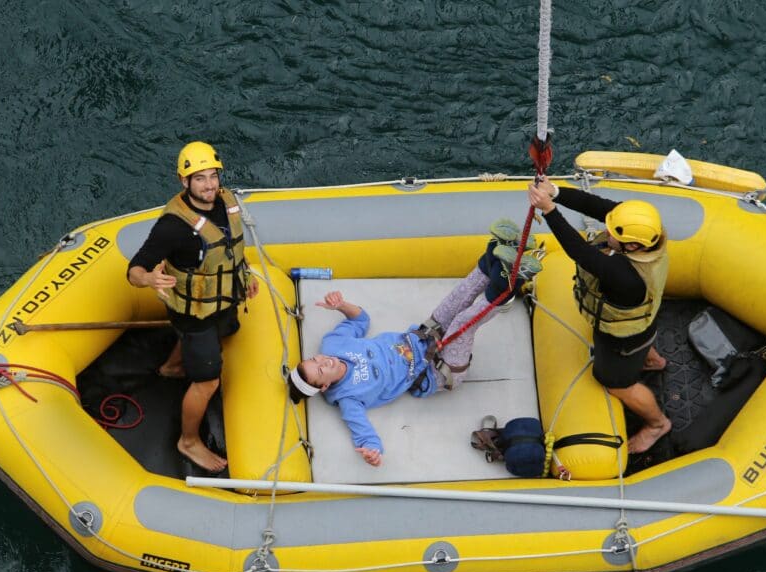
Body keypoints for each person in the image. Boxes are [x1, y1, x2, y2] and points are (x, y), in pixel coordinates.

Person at [287, 221, 542, 467]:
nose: (323, 361)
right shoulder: (348, 399)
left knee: (458, 296)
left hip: (423, 336)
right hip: (437, 370)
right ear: (324, 386)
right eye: (320, 370)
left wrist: (341, 305)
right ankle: (510, 283)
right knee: (465, 320)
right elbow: (365, 435)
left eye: (315, 360)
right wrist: (373, 453)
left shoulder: (332, 345)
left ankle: (498, 255)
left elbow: (361, 319)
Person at [127, 142, 259, 472]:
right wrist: (149, 281)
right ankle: (188, 441)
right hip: (193, 312)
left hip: (223, 297)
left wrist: (244, 276)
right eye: (199, 178)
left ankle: (172, 367)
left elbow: (230, 248)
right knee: (207, 381)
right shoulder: (174, 226)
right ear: (184, 182)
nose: (209, 185)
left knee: (226, 330)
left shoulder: (225, 201)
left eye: (213, 176)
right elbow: (135, 269)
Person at [528, 179, 671, 454]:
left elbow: (580, 253)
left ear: (631, 247)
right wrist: (556, 193)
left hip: (622, 337)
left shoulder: (626, 277)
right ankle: (654, 361)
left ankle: (657, 424)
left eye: (612, 232)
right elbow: (598, 207)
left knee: (618, 384)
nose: (606, 231)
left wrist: (549, 211)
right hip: (644, 323)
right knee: (641, 342)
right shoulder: (647, 233)